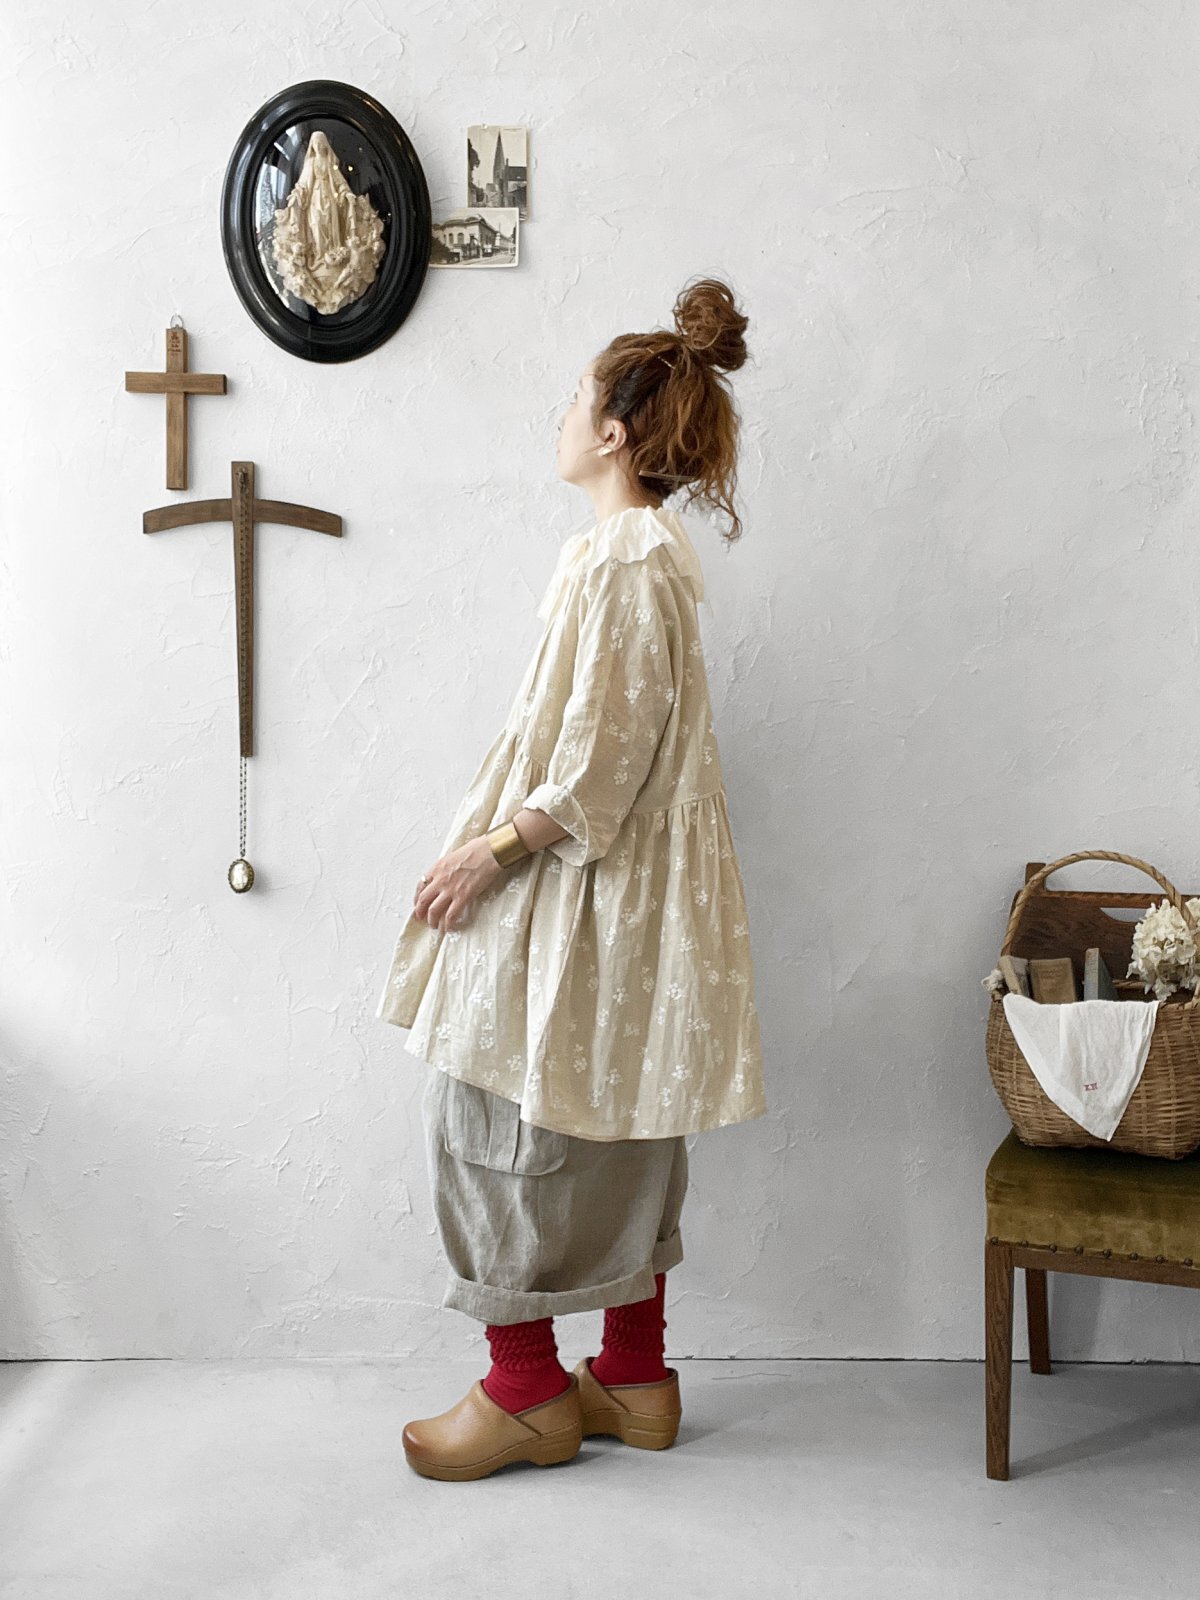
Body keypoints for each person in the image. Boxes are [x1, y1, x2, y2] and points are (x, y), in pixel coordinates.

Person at [376, 276, 768, 1481]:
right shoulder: (636, 556)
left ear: (612, 432)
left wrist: (488, 853)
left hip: (584, 876)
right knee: (615, 1117)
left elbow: (600, 764)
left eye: (573, 401)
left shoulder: (624, 562)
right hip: (621, 885)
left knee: (490, 1113)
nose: (557, 418)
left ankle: (528, 1391)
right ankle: (635, 1379)